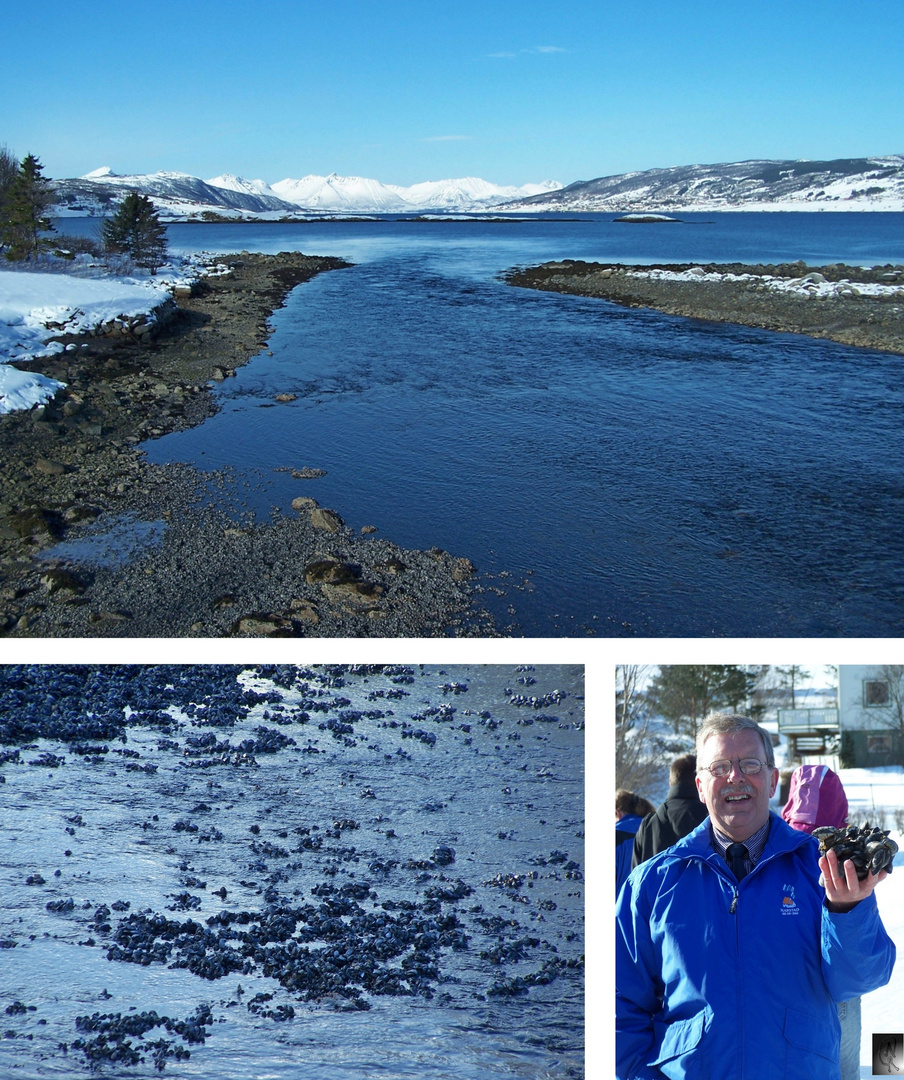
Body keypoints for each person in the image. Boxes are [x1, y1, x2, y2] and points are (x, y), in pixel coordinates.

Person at [616, 712, 895, 1080]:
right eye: (719, 768)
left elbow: (863, 978)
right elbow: (618, 1009)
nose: (735, 776)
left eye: (750, 764)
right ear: (700, 785)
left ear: (772, 779)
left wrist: (847, 911)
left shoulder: (822, 868)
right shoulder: (650, 884)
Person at [782, 763, 859, 1080]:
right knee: (845, 1068)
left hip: (791, 985)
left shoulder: (778, 851)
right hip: (843, 986)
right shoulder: (849, 854)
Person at [632, 754, 709, 867]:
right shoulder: (713, 819)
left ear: (671, 784)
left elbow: (635, 877)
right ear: (700, 783)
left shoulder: (648, 824)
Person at [616, 790, 655, 898]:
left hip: (621, 908)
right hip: (651, 908)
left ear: (617, 813)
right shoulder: (656, 829)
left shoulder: (616, 834)